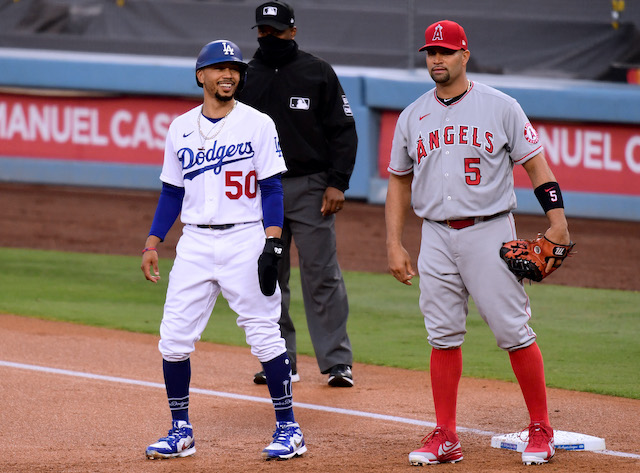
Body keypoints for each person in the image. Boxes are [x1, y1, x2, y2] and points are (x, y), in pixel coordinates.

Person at [385, 20, 571, 466]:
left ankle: (541, 427)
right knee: (442, 335)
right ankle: (446, 436)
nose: (436, 59)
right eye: (430, 52)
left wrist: (558, 223)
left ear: (464, 55)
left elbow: (536, 167)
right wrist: (394, 242)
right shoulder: (413, 115)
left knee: (512, 330)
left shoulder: (500, 106)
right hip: (434, 235)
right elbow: (397, 181)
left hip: (489, 231)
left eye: (445, 52)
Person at [140, 39, 306, 461]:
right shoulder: (179, 127)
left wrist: (273, 240)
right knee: (173, 340)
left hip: (245, 238)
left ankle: (289, 428)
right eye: (219, 68)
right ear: (201, 76)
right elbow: (171, 191)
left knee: (265, 334)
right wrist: (153, 241)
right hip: (194, 242)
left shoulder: (257, 123)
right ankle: (181, 431)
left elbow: (271, 186)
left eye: (234, 69)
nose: (228, 74)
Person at [237, 1, 358, 387]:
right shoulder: (245, 76)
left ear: (292, 31)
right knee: (269, 274)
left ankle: (337, 361)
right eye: (262, 30)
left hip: (311, 186)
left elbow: (343, 130)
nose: (267, 36)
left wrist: (338, 181)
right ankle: (279, 357)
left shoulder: (317, 71)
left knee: (321, 274)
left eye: (274, 30)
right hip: (259, 190)